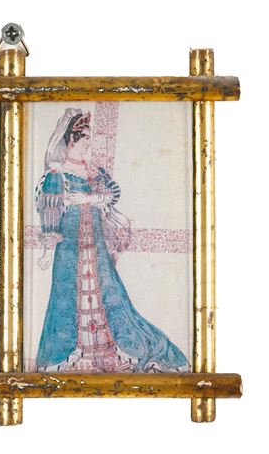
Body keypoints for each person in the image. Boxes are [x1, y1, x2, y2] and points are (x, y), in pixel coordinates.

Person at [35, 108, 188, 373]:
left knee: (109, 293)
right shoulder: (56, 175)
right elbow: (50, 216)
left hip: (97, 248)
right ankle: (71, 355)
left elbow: (112, 194)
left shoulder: (92, 172)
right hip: (68, 250)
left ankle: (113, 351)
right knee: (66, 298)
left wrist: (89, 199)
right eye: (85, 139)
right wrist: (47, 252)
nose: (88, 144)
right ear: (71, 140)